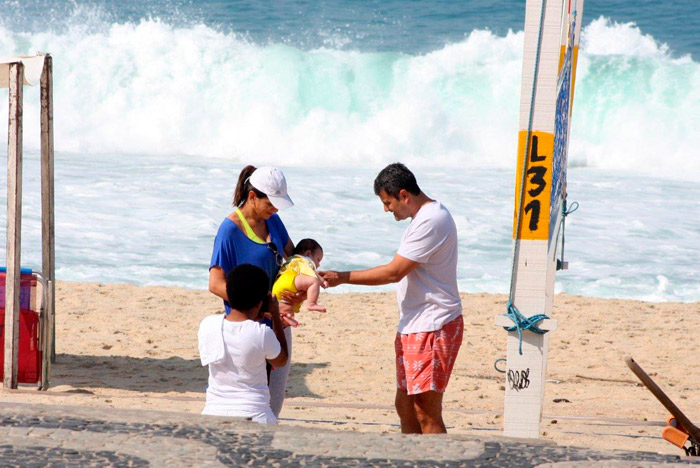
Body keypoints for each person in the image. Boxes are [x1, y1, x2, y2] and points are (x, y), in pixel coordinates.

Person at [321, 163, 463, 434]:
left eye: (387, 203)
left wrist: (342, 277)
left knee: (425, 411)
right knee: (405, 405)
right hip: (415, 323)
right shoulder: (424, 217)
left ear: (403, 195)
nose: (386, 209)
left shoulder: (432, 219)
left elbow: (394, 272)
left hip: (434, 324)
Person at [208, 164, 302, 418]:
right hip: (245, 329)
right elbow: (215, 283)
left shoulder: (273, 222)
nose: (275, 210)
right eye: (271, 204)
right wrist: (259, 304)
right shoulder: (229, 231)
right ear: (252, 196)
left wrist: (296, 287)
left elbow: (291, 259)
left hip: (278, 322)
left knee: (274, 404)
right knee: (248, 404)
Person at [199, 264, 288, 424]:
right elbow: (281, 360)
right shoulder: (261, 333)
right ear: (260, 302)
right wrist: (275, 316)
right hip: (255, 415)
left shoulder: (208, 325)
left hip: (213, 413)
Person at [272, 238, 328, 324]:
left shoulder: (291, 260)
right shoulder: (302, 261)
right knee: (313, 281)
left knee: (286, 308)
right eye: (318, 259)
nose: (319, 264)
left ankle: (288, 318)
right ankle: (312, 304)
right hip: (288, 280)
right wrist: (322, 280)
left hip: (278, 286)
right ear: (308, 254)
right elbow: (312, 274)